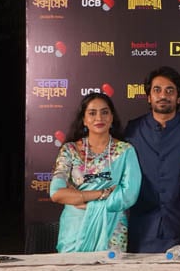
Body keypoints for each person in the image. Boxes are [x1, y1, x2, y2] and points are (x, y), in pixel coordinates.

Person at [124, 66, 180, 253]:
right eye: (157, 90)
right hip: (142, 229)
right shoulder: (132, 131)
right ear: (149, 97)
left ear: (178, 98)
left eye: (170, 90)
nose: (163, 95)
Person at [49, 92, 140, 252]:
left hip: (111, 227)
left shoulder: (125, 151)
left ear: (112, 118)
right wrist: (101, 194)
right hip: (75, 229)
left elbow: (129, 195)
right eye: (92, 113)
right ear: (84, 120)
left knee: (111, 268)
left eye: (104, 112)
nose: (99, 118)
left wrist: (80, 200)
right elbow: (56, 193)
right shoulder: (70, 150)